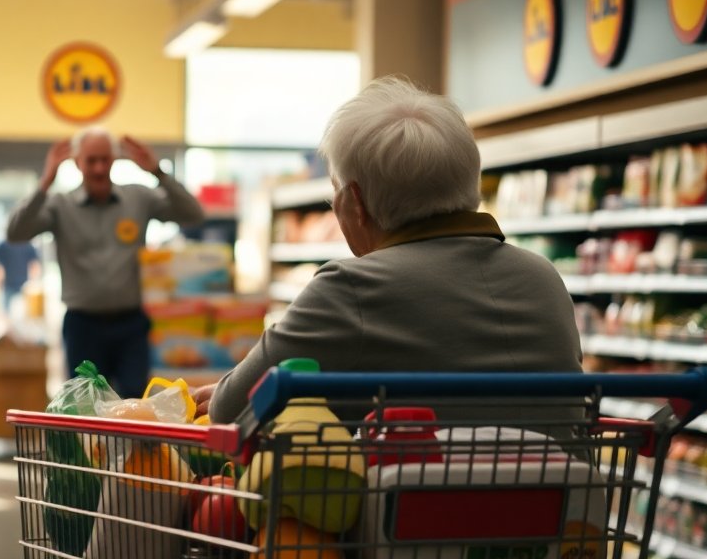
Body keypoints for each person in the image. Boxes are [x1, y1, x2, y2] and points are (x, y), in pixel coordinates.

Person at [194, 77, 582, 423]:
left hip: (427, 502)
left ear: (354, 202)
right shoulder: (542, 275)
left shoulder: (350, 288)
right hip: (560, 500)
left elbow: (229, 408)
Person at [7, 128, 205, 398]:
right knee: (85, 406)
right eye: (91, 161)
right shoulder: (59, 205)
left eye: (105, 159)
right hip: (82, 326)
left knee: (135, 403)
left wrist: (157, 172)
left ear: (114, 160)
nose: (99, 168)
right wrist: (45, 181)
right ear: (77, 162)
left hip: (131, 325)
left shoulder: (138, 198)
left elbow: (193, 214)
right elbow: (15, 232)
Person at [0, 239, 40, 312]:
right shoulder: (27, 245)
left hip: (10, 284)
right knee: (25, 311)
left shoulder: (3, 245)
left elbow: (0, 268)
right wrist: (32, 282)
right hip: (22, 284)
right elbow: (34, 266)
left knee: (6, 311)